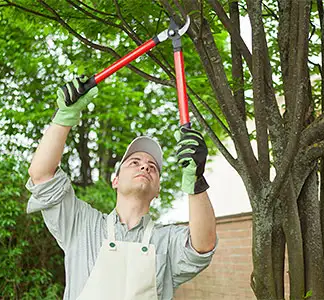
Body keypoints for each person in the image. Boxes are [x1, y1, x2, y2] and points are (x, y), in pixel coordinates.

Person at [26, 76, 217, 300]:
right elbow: (42, 175)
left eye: (152, 167)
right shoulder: (81, 224)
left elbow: (202, 246)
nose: (145, 165)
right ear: (115, 181)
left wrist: (196, 182)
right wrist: (64, 117)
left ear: (158, 191)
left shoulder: (166, 241)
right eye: (134, 162)